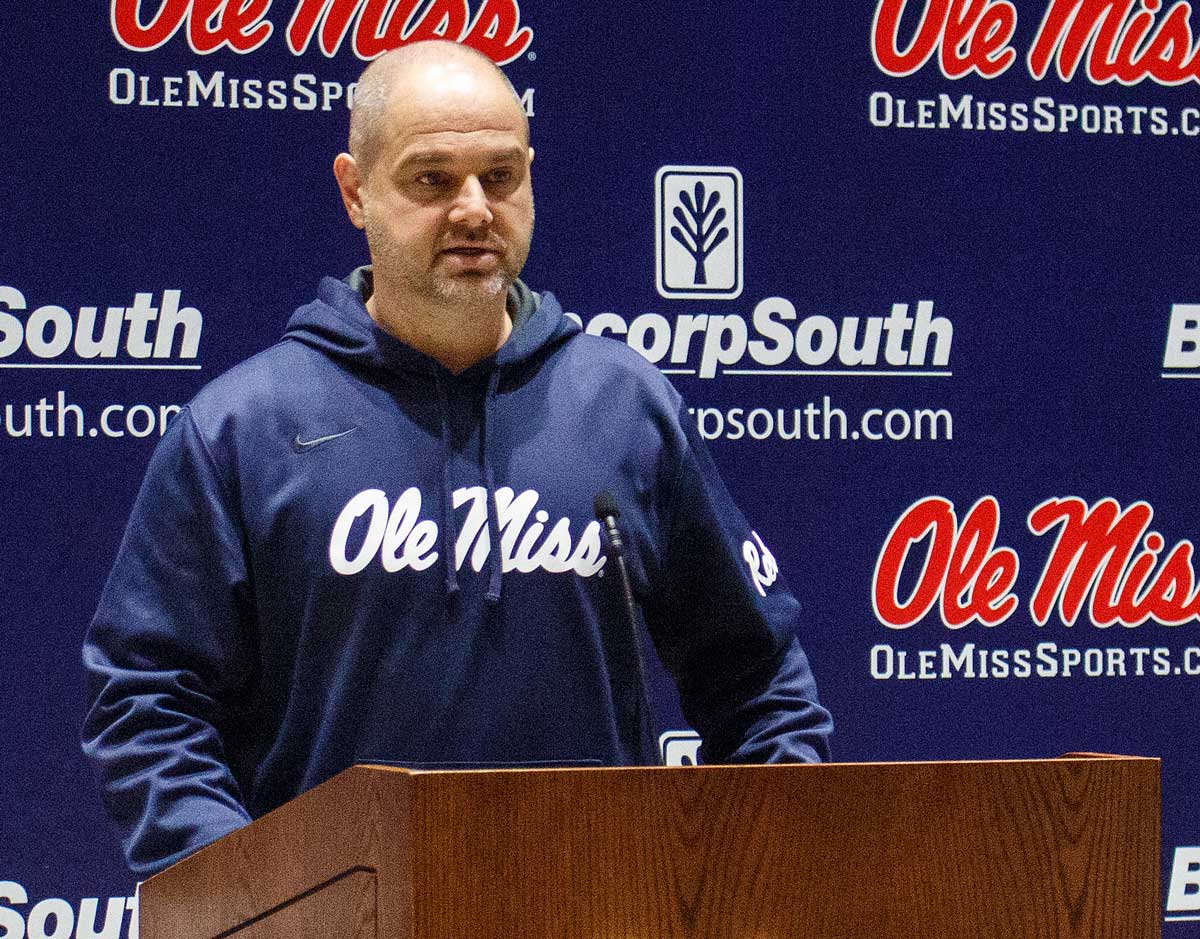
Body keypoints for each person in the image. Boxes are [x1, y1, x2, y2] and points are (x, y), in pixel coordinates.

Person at [81, 40, 832, 879]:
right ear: (355, 190)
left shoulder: (623, 406)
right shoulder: (241, 428)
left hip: (596, 914)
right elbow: (148, 705)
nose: (474, 209)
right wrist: (257, 900)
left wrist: (757, 870)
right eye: (432, 179)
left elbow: (759, 675)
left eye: (501, 177)